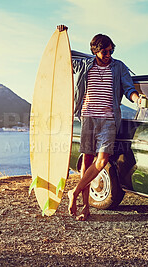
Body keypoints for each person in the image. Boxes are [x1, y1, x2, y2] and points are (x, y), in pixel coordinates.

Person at [57, 25, 140, 221]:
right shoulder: (86, 64)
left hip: (109, 120)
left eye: (111, 50)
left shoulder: (118, 66)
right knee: (86, 162)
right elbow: (62, 58)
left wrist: (136, 99)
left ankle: (74, 192)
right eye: (104, 51)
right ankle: (86, 208)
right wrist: (60, 35)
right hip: (88, 118)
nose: (108, 54)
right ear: (95, 50)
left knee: (101, 161)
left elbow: (128, 88)